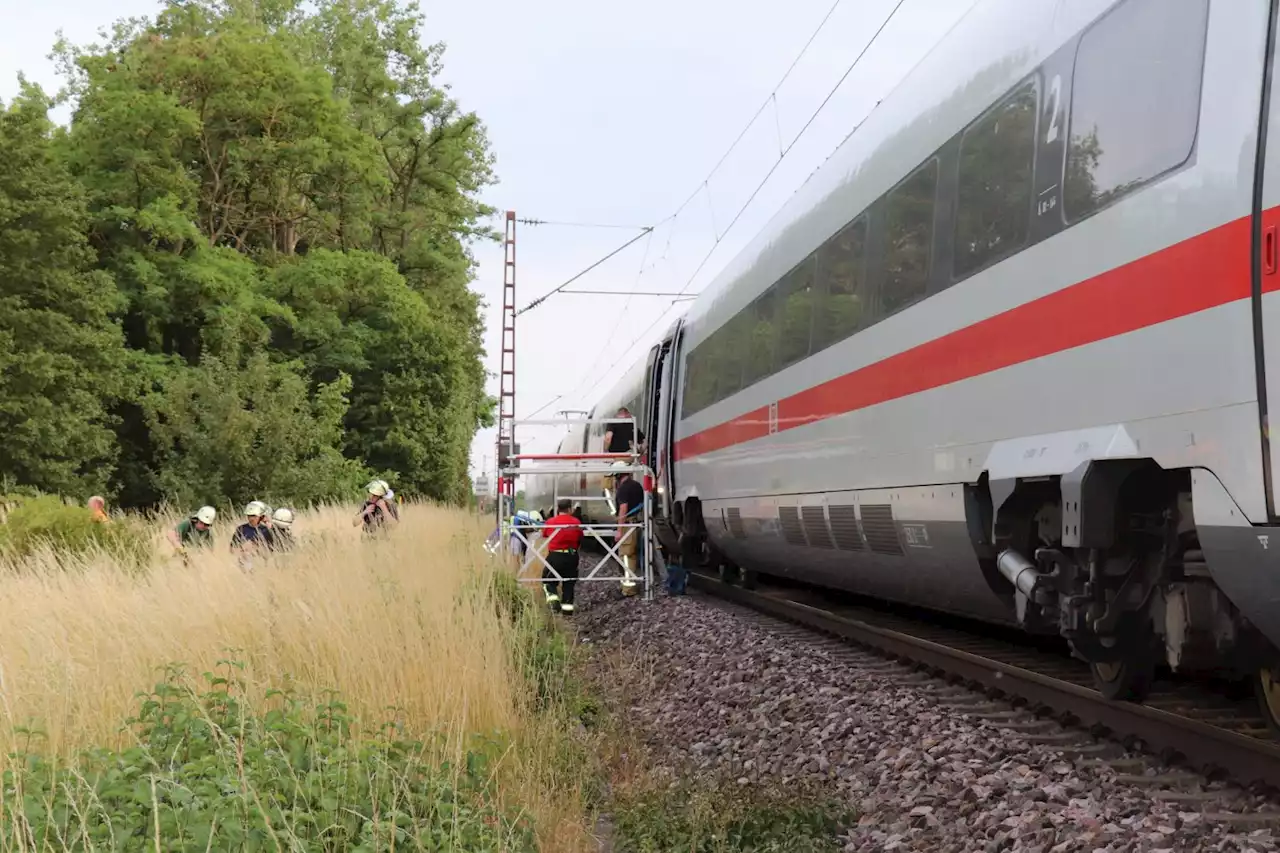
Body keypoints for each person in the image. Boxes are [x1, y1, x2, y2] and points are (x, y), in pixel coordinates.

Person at [541, 498, 584, 614]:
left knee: (547, 579)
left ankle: (553, 602)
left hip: (555, 556)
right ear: (570, 509)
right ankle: (567, 611)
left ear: (558, 509)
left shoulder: (550, 522)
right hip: (571, 556)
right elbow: (580, 537)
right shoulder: (576, 522)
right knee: (569, 583)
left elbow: (544, 535)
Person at [612, 461, 646, 597]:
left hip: (628, 525)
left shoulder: (623, 489)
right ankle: (632, 585)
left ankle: (628, 589)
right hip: (638, 523)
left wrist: (619, 529)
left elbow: (623, 508)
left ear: (618, 475)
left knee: (626, 556)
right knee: (633, 555)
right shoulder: (637, 485)